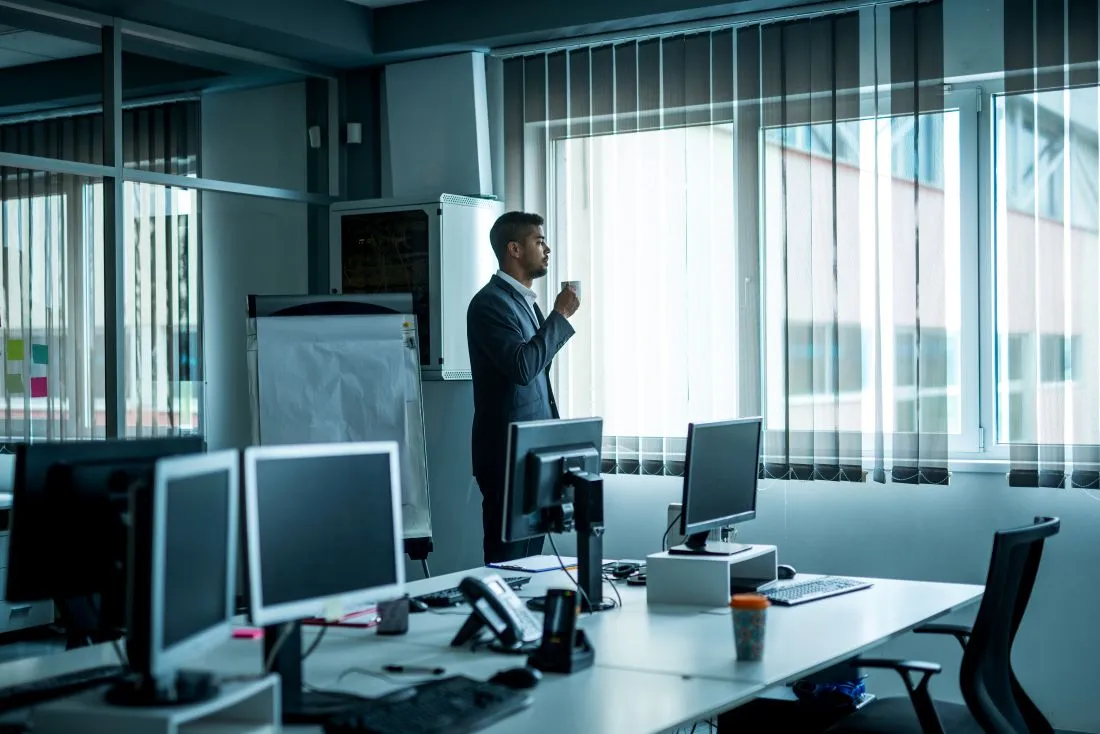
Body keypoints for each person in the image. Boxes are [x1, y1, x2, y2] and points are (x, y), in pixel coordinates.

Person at [467, 211, 581, 563]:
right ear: (514, 249)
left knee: (531, 565)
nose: (547, 249)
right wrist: (559, 316)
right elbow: (523, 367)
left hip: (533, 456)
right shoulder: (490, 303)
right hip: (507, 460)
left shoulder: (522, 302)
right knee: (508, 567)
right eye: (539, 241)